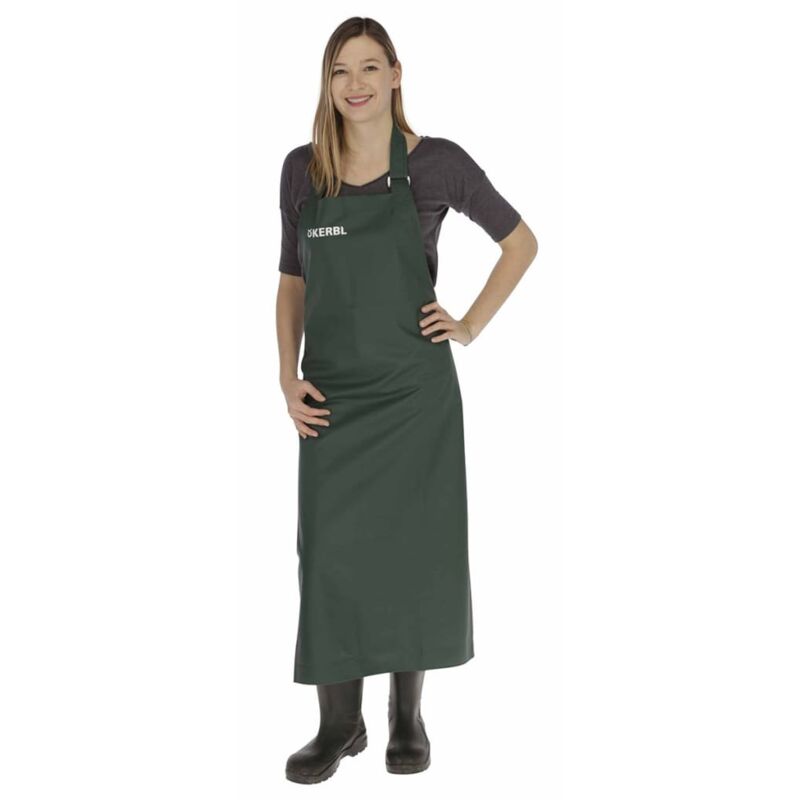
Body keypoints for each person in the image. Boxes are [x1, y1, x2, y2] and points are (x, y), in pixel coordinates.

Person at [276, 17, 538, 784]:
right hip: (332, 399)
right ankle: (339, 724)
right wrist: (286, 377)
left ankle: (405, 717)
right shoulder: (302, 171)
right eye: (339, 71)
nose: (354, 84)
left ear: (396, 74)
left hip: (414, 398)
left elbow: (520, 243)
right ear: (327, 84)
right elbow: (291, 281)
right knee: (329, 559)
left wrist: (469, 324)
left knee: (413, 555)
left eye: (369, 67)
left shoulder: (436, 164)